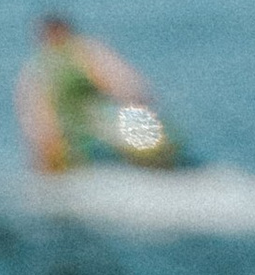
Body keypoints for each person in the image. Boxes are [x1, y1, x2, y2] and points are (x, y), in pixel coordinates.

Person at [16, 12, 183, 173]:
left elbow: (37, 122)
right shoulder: (84, 52)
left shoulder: (38, 67)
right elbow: (128, 87)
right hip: (96, 129)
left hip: (80, 138)